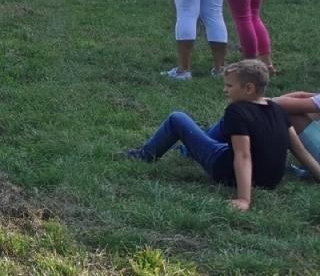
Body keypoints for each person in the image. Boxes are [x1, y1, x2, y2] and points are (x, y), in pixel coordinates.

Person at [126, 59, 319, 209]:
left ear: (249, 88)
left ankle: (144, 156)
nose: (224, 90)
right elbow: (299, 150)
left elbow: (243, 156)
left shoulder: (236, 111)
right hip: (271, 179)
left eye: (229, 85)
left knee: (177, 119)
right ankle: (188, 149)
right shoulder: (277, 109)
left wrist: (244, 199)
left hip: (226, 170)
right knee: (212, 137)